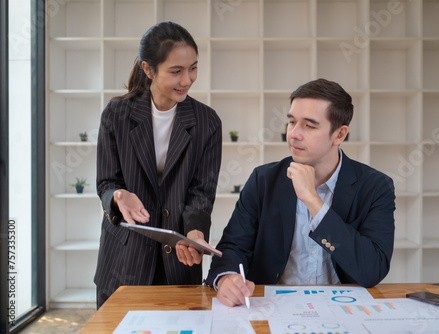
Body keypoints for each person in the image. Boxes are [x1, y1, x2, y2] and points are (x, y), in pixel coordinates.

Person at [206, 78, 395, 307]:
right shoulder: (263, 180)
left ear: (339, 134)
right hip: (274, 308)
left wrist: (313, 201)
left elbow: (372, 270)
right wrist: (226, 278)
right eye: (292, 122)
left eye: (309, 125)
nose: (294, 134)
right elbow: (232, 248)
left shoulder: (375, 187)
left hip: (345, 307)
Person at [94, 21, 222, 308]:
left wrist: (196, 233)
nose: (187, 79)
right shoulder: (116, 114)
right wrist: (118, 196)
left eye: (193, 68)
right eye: (176, 71)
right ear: (148, 69)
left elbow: (202, 192)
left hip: (179, 260)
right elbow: (106, 182)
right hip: (123, 262)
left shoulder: (207, 122)